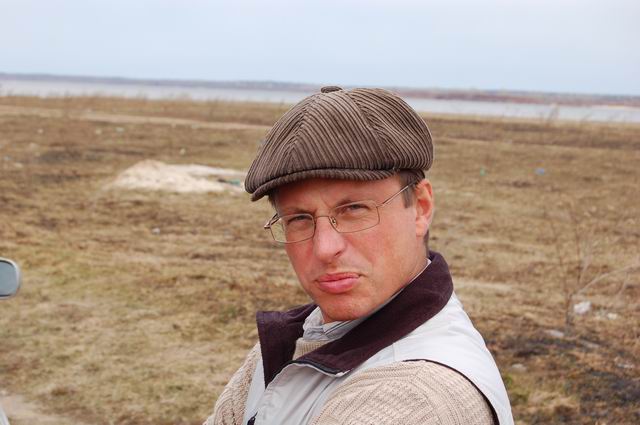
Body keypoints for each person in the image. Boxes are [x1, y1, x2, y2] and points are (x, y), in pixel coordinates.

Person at [204, 86, 514, 425]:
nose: (325, 248)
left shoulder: (416, 399)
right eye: (299, 218)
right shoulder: (297, 339)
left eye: (354, 209)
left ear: (420, 208)